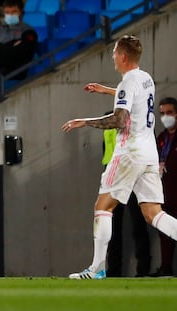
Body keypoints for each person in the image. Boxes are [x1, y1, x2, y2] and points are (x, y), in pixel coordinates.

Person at [61, 34, 177, 279]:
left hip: (128, 153)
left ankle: (97, 269)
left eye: (114, 52)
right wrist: (106, 90)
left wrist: (86, 121)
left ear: (123, 57)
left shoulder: (128, 83)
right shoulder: (146, 79)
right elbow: (132, 98)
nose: (113, 56)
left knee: (103, 207)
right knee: (153, 213)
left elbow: (119, 119)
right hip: (148, 154)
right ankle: (98, 268)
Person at [102, 127, 151, 276]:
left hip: (134, 181)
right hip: (114, 182)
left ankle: (143, 270)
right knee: (113, 229)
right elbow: (107, 155)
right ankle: (114, 270)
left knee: (138, 225)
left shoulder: (141, 123)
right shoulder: (108, 122)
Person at [0, 0, 38, 89]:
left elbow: (16, 55)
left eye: (14, 12)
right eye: (7, 12)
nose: (10, 15)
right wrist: (9, 47)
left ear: (21, 12)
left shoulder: (29, 33)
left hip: (12, 74)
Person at [150, 97, 177, 277]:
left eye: (169, 113)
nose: (165, 117)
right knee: (165, 233)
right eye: (162, 113)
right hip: (165, 192)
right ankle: (165, 267)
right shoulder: (161, 138)